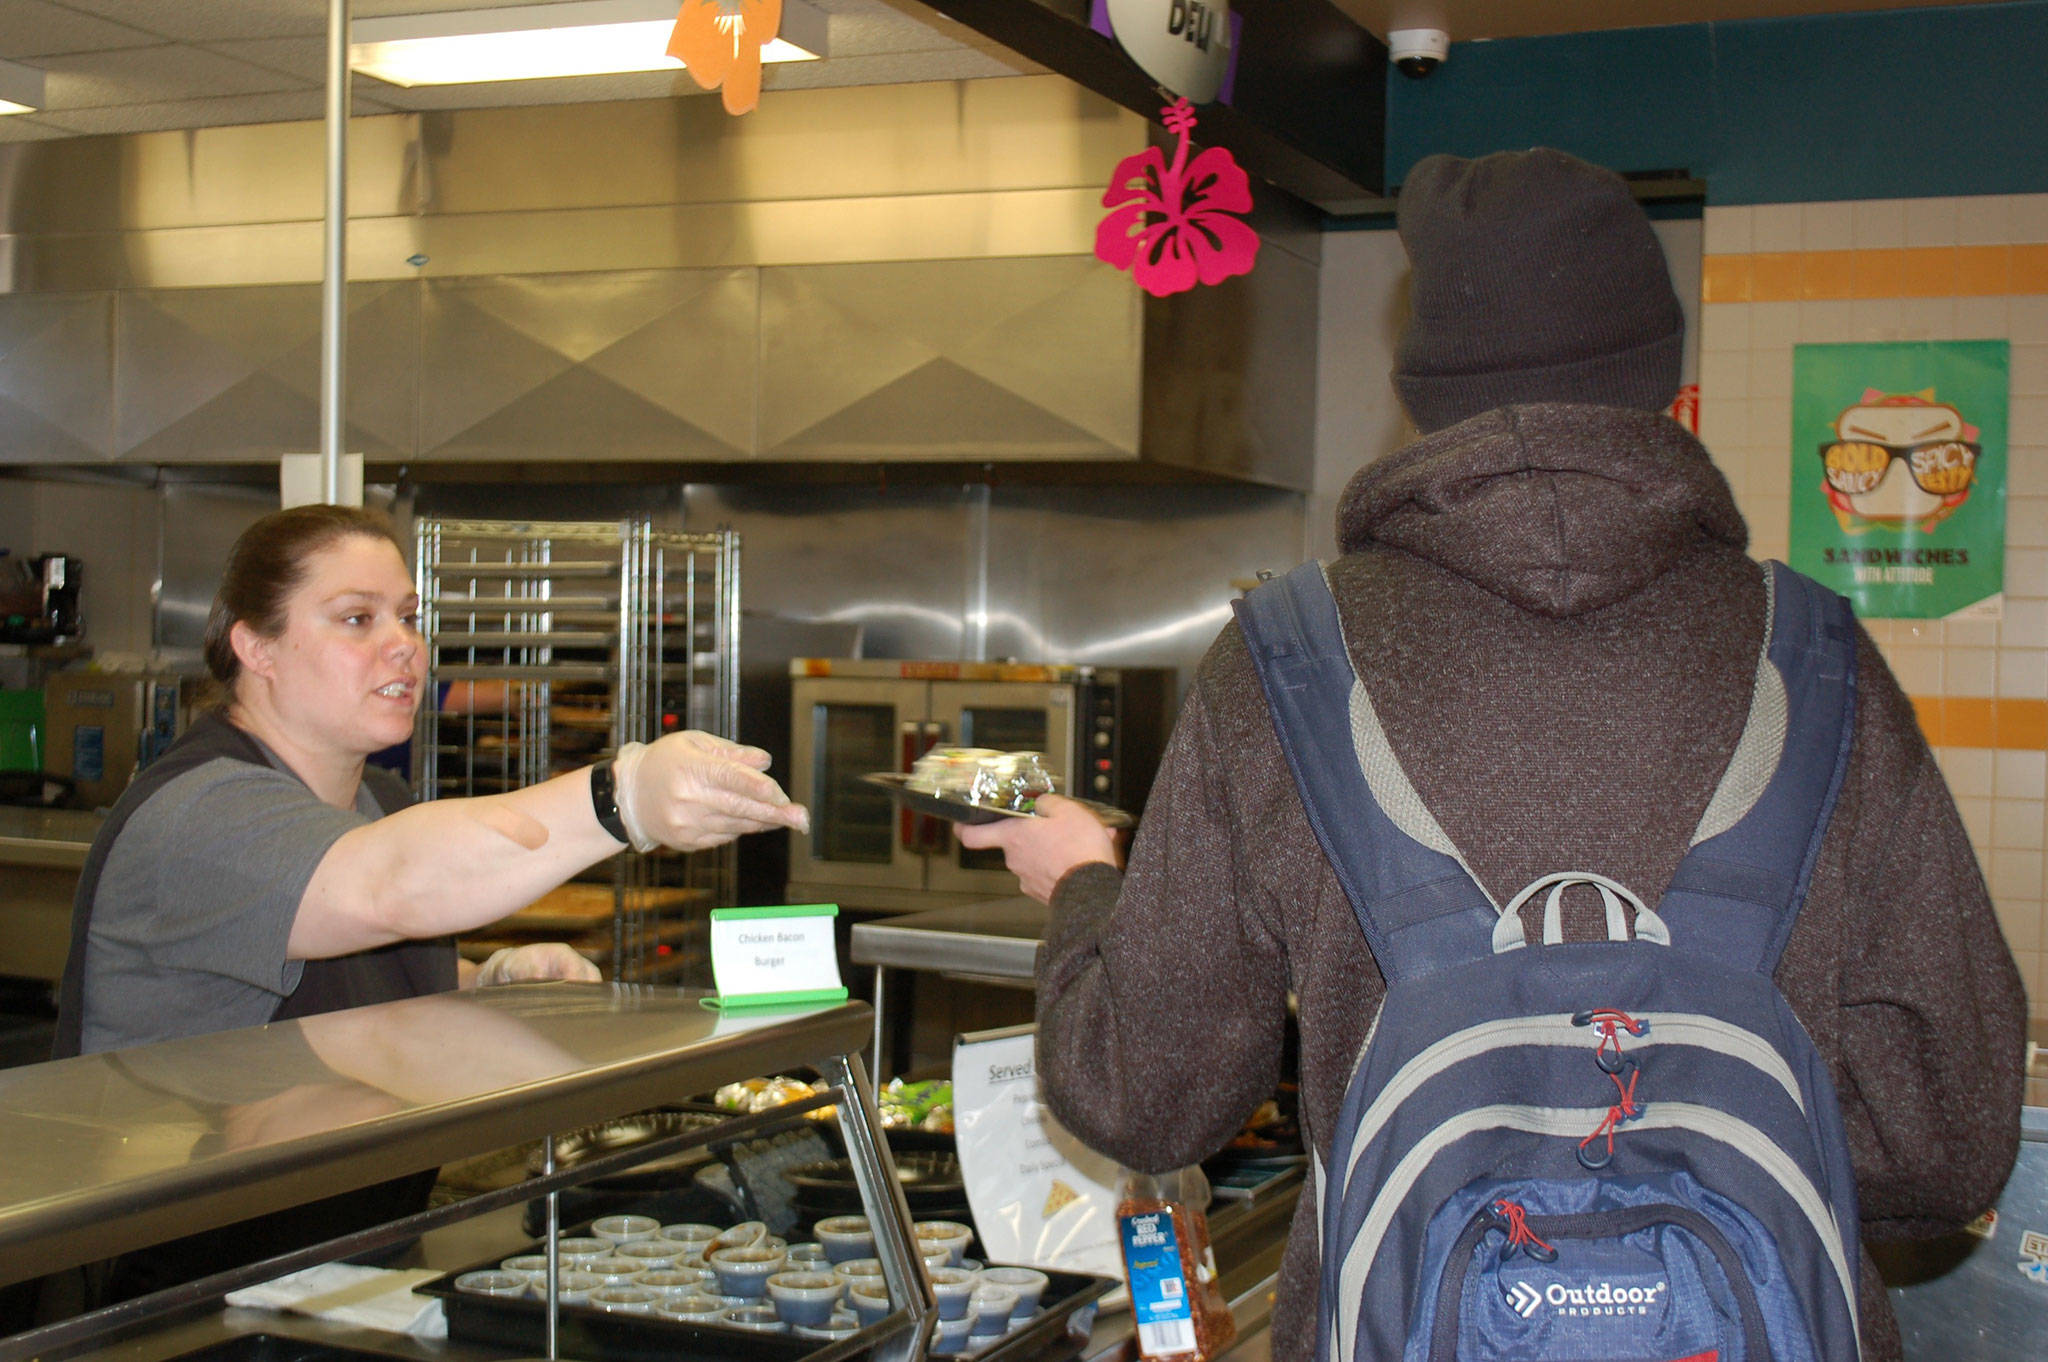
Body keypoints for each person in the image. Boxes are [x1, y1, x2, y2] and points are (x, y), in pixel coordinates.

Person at [960, 149, 2026, 1361]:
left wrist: (1085, 886)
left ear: (1418, 384)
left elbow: (1145, 1097)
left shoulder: (1283, 661)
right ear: (1658, 378)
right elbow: (1942, 1145)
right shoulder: (1819, 659)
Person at [46, 502, 808, 1300]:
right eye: (355, 618)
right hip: (173, 1297)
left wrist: (489, 982)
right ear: (255, 646)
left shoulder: (372, 800)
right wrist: (625, 799)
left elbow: (341, 974)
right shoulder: (202, 814)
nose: (403, 644)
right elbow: (389, 886)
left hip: (337, 1268)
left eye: (407, 617)